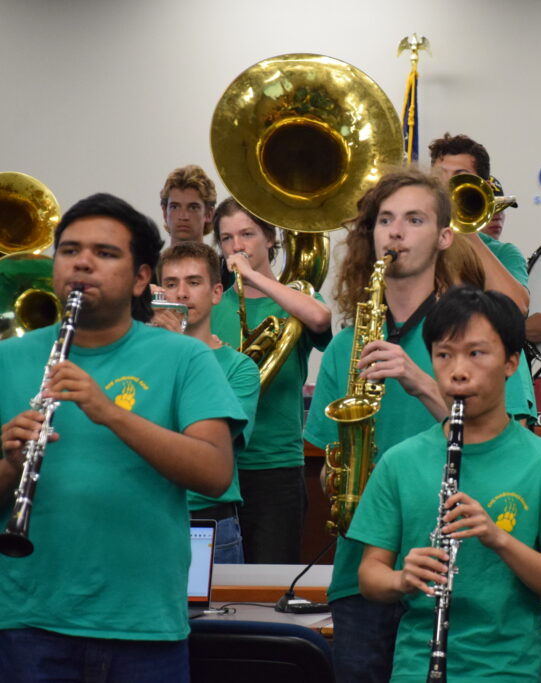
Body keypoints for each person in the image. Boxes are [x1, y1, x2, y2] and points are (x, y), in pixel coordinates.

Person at [0, 193, 246, 682]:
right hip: (29, 624)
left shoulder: (184, 358)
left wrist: (109, 412)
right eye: (69, 251)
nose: (83, 262)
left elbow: (215, 473)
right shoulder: (9, 359)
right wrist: (10, 461)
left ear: (140, 279)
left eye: (105, 253)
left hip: (145, 626)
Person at [350, 286, 541, 681]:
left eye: (477, 354)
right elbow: (368, 576)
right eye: (444, 355)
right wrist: (401, 579)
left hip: (505, 670)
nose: (458, 370)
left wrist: (498, 538)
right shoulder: (400, 461)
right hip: (415, 667)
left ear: (511, 362)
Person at [304, 168, 453, 682]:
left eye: (415, 219)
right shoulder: (346, 347)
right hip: (360, 572)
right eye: (385, 220)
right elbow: (327, 463)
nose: (396, 232)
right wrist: (340, 482)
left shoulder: (476, 335)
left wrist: (421, 381)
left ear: (444, 237)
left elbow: (509, 445)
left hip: (451, 564)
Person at [210, 197, 332, 564]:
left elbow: (322, 320)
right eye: (227, 238)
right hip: (222, 465)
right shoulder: (214, 304)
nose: (238, 246)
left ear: (270, 238)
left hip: (279, 466)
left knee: (269, 583)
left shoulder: (295, 299)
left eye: (247, 234)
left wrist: (254, 278)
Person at [157, 241, 260, 564]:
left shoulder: (240, 368)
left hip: (211, 524)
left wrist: (177, 350)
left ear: (216, 293)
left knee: (217, 617)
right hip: (150, 516)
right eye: (171, 284)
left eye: (194, 282)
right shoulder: (142, 358)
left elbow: (204, 447)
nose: (182, 294)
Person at [429, 134, 536, 424]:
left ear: (482, 188)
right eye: (440, 177)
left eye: (459, 177)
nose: (447, 187)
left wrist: (467, 229)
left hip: (503, 394)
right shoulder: (420, 252)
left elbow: (515, 309)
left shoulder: (503, 253)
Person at [159, 164, 217, 246]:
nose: (183, 216)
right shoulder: (149, 259)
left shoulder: (226, 259)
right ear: (165, 213)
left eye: (193, 208)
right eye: (174, 207)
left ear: (209, 214)